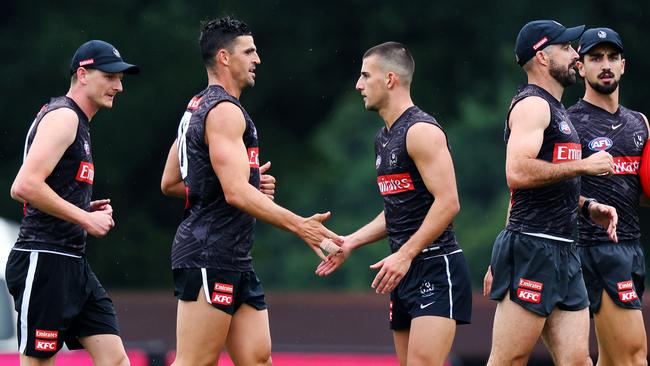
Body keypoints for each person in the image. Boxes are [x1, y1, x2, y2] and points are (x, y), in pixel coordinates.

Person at [160, 17, 343, 366]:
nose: (257, 59)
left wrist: (250, 184)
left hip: (234, 257)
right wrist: (299, 225)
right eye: (249, 51)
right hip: (208, 254)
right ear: (225, 57)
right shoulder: (225, 111)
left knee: (258, 359)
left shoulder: (196, 106)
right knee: (195, 362)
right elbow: (234, 193)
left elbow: (173, 181)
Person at [315, 41, 472, 366]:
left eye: (365, 76)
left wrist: (405, 253)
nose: (358, 85)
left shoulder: (420, 131)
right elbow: (397, 212)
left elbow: (448, 203)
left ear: (389, 79)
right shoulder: (383, 138)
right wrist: (351, 242)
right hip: (402, 272)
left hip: (436, 266)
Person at [483, 20, 621, 365]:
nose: (576, 55)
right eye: (566, 48)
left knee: (577, 361)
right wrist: (584, 166)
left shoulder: (557, 109)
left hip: (564, 250)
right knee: (509, 359)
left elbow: (545, 183)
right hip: (531, 246)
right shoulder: (532, 105)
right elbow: (517, 172)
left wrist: (586, 205)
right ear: (542, 58)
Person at [6, 40, 139, 365]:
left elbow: (46, 188)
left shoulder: (77, 121)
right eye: (109, 76)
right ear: (82, 74)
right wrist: (83, 217)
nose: (118, 86)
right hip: (44, 257)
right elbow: (23, 186)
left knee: (116, 359)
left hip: (71, 262)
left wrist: (82, 210)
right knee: (39, 361)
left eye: (120, 78)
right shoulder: (64, 116)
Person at [568, 27, 648, 366]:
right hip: (592, 247)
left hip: (631, 246)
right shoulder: (569, 123)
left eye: (612, 57)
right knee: (632, 357)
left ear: (623, 65)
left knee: (613, 359)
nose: (605, 65)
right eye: (596, 57)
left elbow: (642, 193)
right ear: (581, 67)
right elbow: (549, 191)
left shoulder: (640, 123)